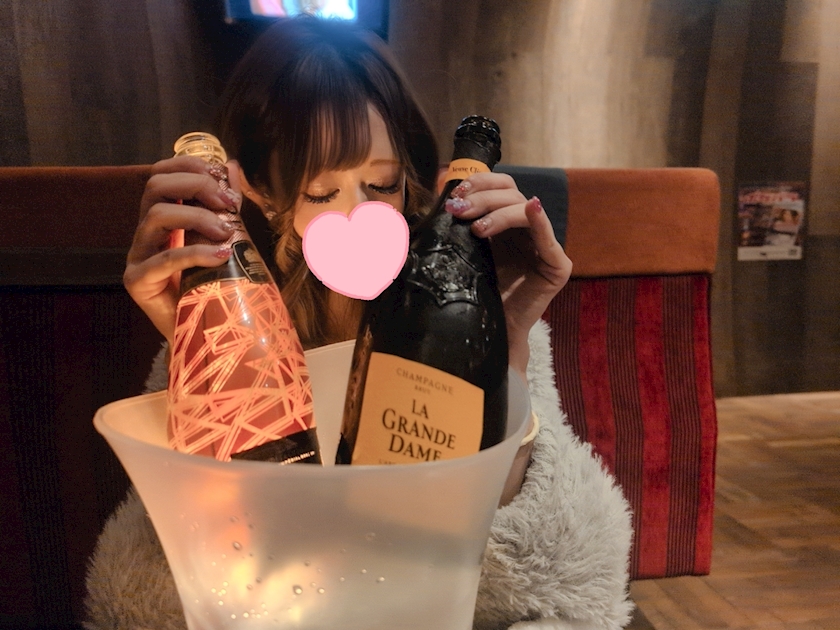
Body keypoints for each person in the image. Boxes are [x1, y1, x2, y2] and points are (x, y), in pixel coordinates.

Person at [86, 16, 633, 630]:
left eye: (382, 183)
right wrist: (186, 344)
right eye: (321, 193)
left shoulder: (465, 300)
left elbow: (561, 570)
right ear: (259, 190)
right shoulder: (221, 312)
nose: (358, 212)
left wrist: (505, 353)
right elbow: (160, 589)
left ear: (413, 177)